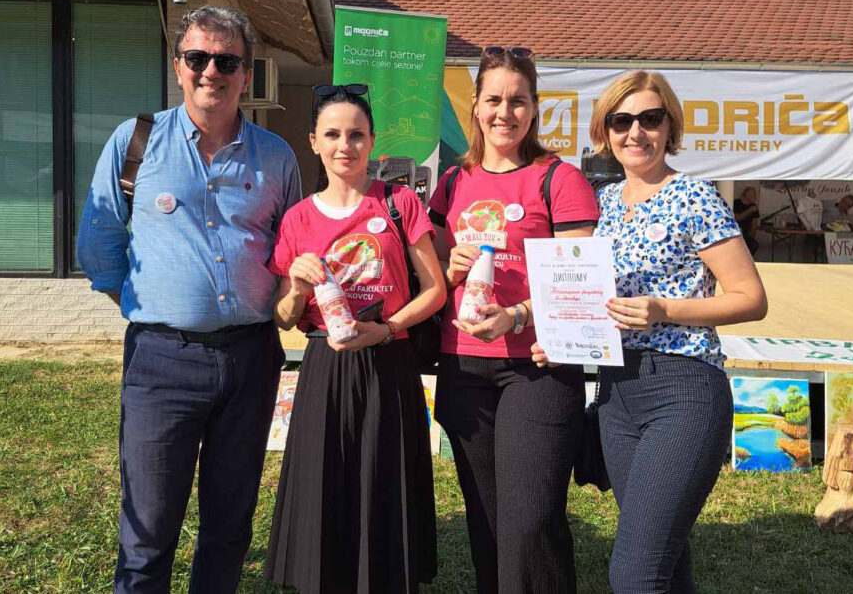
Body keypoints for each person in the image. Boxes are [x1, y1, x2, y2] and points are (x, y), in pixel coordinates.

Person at [76, 6, 301, 593]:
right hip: (161, 362)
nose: (211, 72)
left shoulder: (276, 156)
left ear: (246, 75)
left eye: (227, 61)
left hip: (251, 359)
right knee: (148, 529)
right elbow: (99, 239)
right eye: (198, 58)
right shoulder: (136, 141)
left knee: (229, 525)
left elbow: (294, 244)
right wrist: (148, 306)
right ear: (178, 67)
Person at [532, 70, 767, 594]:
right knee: (664, 558)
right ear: (605, 130)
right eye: (622, 120)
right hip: (618, 394)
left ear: (669, 126)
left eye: (650, 118)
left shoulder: (695, 197)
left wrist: (665, 309)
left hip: (685, 389)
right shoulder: (604, 203)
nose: (635, 132)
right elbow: (588, 293)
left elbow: (751, 298)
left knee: (636, 571)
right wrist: (561, 331)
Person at [427, 46, 599, 594]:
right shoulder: (453, 182)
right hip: (463, 368)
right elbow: (429, 273)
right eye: (494, 99)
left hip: (537, 370)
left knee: (531, 520)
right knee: (488, 521)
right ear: (475, 105)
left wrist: (521, 315)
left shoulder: (559, 179)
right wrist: (449, 266)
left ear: (534, 108)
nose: (505, 112)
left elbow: (584, 280)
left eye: (518, 101)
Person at [264, 85, 445, 594]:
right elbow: (283, 317)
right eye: (333, 135)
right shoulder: (298, 217)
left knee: (384, 480)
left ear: (372, 142)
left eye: (356, 134)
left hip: (388, 359)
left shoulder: (398, 202)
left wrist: (387, 329)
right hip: (326, 362)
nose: (346, 145)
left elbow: (435, 290)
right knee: (327, 482)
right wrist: (297, 286)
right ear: (314, 143)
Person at [732, 186, 760, 255]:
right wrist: (749, 211)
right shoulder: (736, 203)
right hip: (735, 233)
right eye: (754, 195)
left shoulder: (753, 206)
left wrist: (752, 236)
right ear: (748, 195)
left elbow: (754, 222)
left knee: (753, 245)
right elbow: (737, 217)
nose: (755, 197)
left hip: (746, 235)